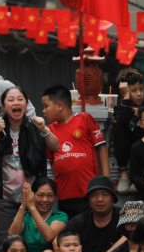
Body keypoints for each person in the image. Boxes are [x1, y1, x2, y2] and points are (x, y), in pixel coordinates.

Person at [0, 86, 59, 249]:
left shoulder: (35, 125)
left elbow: (55, 146)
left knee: (37, 241)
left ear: (26, 104)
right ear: (3, 106)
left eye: (20, 99)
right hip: (5, 198)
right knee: (4, 243)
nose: (15, 103)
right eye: (10, 100)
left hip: (34, 198)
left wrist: (44, 129)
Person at [43, 85, 109, 218]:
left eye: (46, 106)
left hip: (88, 191)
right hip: (64, 194)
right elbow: (51, 161)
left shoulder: (85, 119)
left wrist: (106, 179)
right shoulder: (49, 131)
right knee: (71, 233)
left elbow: (101, 147)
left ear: (60, 105)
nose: (43, 111)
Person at [61, 176, 124, 252]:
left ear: (113, 199)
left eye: (105, 194)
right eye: (94, 195)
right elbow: (58, 240)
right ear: (89, 200)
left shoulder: (123, 217)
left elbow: (133, 236)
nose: (99, 199)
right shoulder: (80, 221)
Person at [8, 177, 67, 252]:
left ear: (54, 197)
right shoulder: (25, 216)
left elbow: (48, 236)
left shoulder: (59, 216)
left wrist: (32, 207)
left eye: (50, 195)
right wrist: (23, 206)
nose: (45, 200)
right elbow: (12, 236)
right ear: (32, 195)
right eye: (40, 195)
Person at [113, 68, 144, 194]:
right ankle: (123, 174)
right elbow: (122, 121)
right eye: (134, 91)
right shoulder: (120, 108)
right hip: (126, 148)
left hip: (143, 152)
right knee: (120, 130)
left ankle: (137, 177)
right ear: (124, 93)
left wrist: (143, 116)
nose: (139, 94)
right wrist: (127, 100)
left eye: (141, 89)